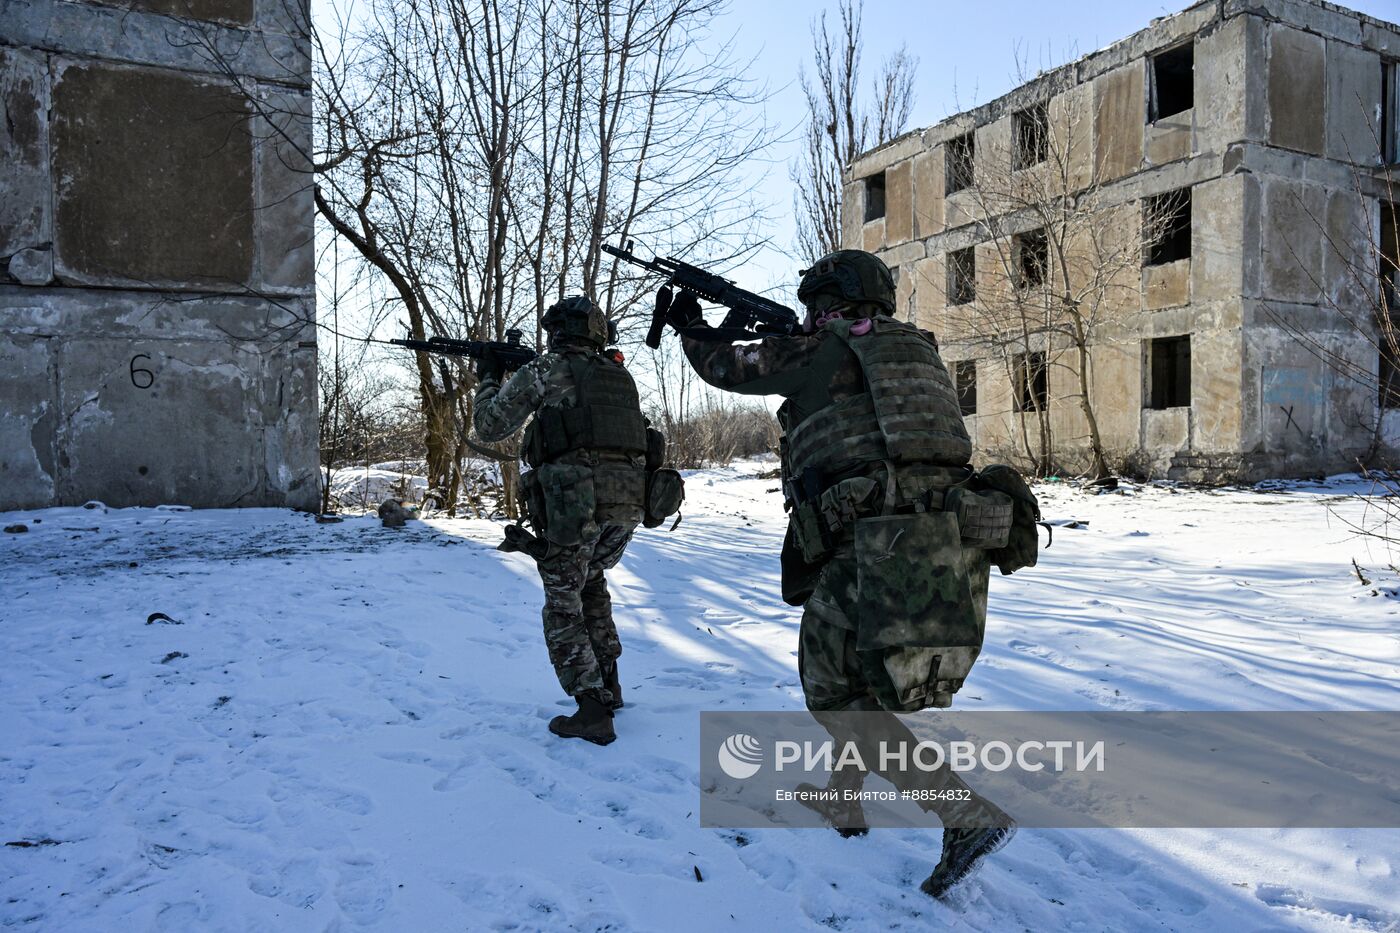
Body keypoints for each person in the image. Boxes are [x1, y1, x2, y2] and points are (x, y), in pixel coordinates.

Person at [661, 249, 1017, 898]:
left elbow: (727, 368)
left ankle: (963, 813)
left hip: (871, 543)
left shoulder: (825, 349)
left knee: (830, 689)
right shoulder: (913, 349)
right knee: (864, 677)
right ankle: (842, 798)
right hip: (941, 539)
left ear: (827, 298)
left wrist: (692, 325)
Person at [473, 296, 649, 747]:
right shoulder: (618, 373)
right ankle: (609, 683)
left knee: (563, 603)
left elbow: (491, 426)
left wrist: (488, 378)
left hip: (575, 505)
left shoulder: (544, 370)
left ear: (556, 331)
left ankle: (592, 708)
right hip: (626, 503)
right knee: (591, 582)